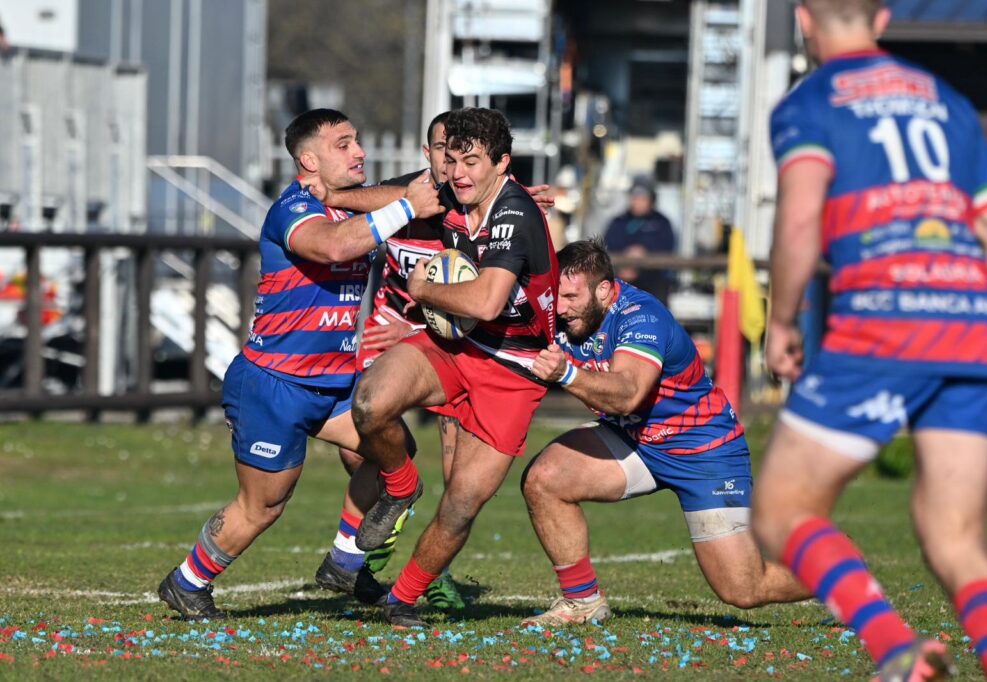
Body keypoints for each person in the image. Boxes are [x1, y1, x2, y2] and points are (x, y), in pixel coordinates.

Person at [751, 2, 987, 681]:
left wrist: (782, 322)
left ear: (804, 19)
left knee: (781, 511)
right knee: (956, 540)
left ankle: (895, 647)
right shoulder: (948, 101)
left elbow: (801, 219)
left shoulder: (810, 102)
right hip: (971, 322)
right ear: (881, 17)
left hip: (883, 317)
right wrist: (966, 325)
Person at [156, 108, 443, 619]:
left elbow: (431, 193)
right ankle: (188, 581)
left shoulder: (356, 204)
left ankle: (345, 562)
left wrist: (505, 197)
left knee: (390, 446)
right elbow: (333, 247)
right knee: (264, 505)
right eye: (343, 144)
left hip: (332, 382)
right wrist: (405, 207)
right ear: (309, 160)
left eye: (357, 141)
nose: (359, 152)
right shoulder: (292, 209)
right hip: (274, 384)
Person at [521, 239, 808, 625]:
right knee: (544, 479)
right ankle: (582, 600)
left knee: (743, 589)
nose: (561, 308)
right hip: (635, 439)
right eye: (558, 296)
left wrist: (566, 374)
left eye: (572, 297)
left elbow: (628, 394)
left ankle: (840, 573)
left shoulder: (641, 316)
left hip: (703, 450)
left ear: (603, 290)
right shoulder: (559, 315)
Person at [350, 107, 560, 627]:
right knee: (370, 404)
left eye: (472, 162)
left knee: (462, 501)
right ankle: (401, 486)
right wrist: (330, 193)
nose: (459, 173)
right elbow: (387, 196)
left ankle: (402, 599)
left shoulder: (514, 214)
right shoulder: (455, 191)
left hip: (513, 369)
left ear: (502, 164)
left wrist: (422, 291)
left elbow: (487, 302)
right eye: (453, 161)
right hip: (455, 345)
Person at [604, 176, 676, 305]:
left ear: (651, 200)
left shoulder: (661, 223)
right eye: (635, 197)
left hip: (652, 284)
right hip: (622, 282)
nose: (638, 202)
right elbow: (607, 248)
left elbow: (668, 249)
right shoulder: (618, 223)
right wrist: (623, 264)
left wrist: (644, 255)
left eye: (643, 198)